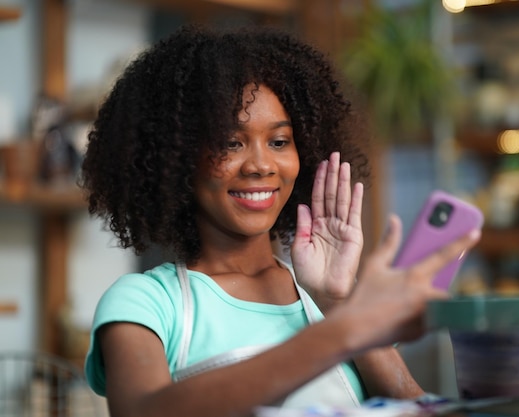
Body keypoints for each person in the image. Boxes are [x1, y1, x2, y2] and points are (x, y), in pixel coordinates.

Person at [80, 23, 480, 417]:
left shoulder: (325, 299)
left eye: (279, 142)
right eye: (230, 143)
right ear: (178, 157)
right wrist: (341, 331)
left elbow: (417, 408)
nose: (260, 165)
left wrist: (338, 303)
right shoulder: (146, 302)